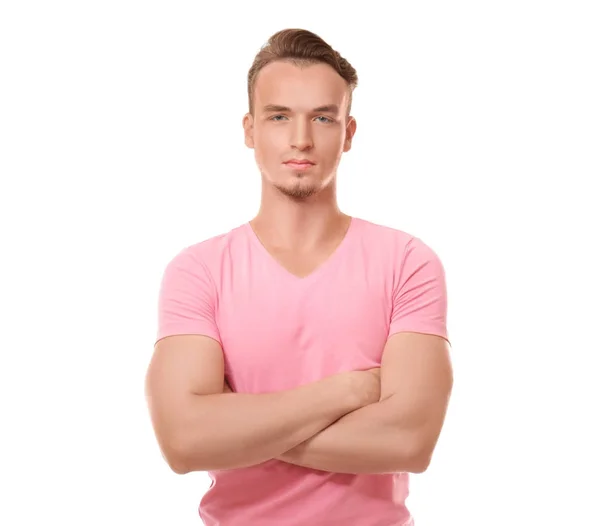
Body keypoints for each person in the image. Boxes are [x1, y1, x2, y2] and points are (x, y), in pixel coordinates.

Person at [145, 28, 453, 526]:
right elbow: (183, 441)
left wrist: (241, 427)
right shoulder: (198, 271)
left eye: (323, 117)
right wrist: (347, 393)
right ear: (250, 130)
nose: (301, 139)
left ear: (348, 133)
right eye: (279, 116)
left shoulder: (407, 262)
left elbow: (409, 441)